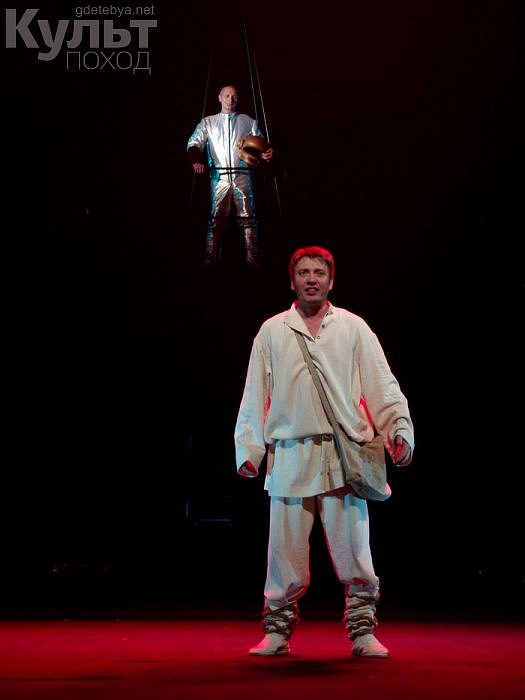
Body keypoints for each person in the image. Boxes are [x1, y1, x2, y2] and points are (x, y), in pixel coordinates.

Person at [234, 245, 414, 657]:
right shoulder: (272, 331)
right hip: (290, 452)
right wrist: (249, 448)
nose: (311, 279)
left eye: (319, 272)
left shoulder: (353, 328)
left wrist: (398, 429)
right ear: (292, 281)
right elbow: (255, 392)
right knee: (284, 550)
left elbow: (381, 384)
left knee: (353, 547)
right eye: (304, 272)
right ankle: (278, 630)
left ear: (331, 281)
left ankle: (362, 630)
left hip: (342, 452)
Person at [186, 85, 273, 267]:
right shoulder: (208, 122)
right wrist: (196, 160)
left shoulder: (248, 122)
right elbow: (194, 142)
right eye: (227, 95)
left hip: (243, 175)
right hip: (220, 177)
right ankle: (209, 263)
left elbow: (261, 145)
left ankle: (253, 262)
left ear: (237, 99)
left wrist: (265, 154)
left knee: (249, 219)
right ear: (220, 98)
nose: (230, 99)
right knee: (216, 219)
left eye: (233, 96)